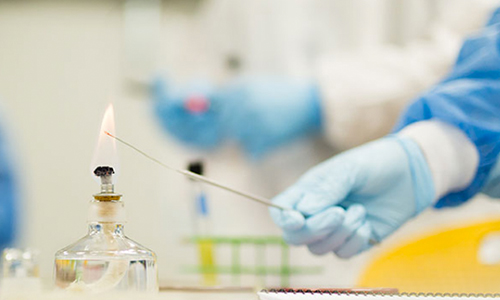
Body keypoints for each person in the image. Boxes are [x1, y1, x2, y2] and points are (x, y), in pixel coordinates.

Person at [152, 5, 500, 258]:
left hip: (424, 242)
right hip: (267, 235)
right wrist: (212, 110)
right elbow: (216, 53)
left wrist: (324, 98)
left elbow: (469, 55)